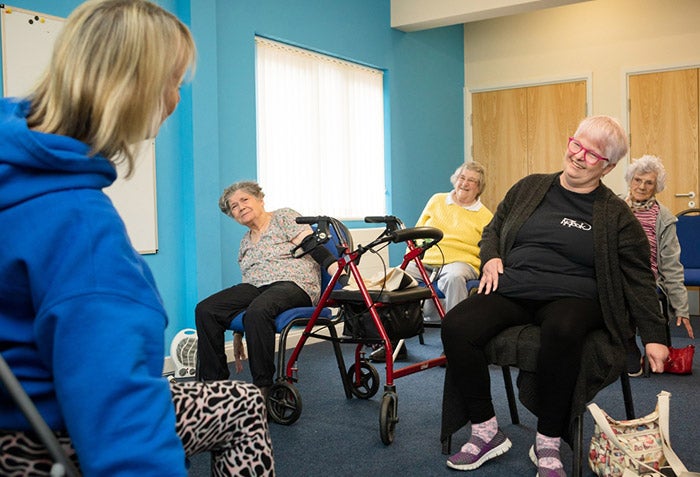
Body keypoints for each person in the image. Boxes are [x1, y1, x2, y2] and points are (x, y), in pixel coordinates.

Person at [0, 1, 274, 476]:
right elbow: (120, 416)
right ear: (135, 89)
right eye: (172, 82)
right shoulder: (83, 231)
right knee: (243, 402)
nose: (176, 100)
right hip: (39, 435)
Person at [440, 116, 669, 476]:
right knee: (456, 325)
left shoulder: (615, 214)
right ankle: (485, 429)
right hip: (515, 287)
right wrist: (492, 256)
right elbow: (494, 228)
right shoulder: (530, 187)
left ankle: (547, 440)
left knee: (563, 330)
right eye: (575, 144)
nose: (578, 156)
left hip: (575, 296)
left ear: (607, 167)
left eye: (592, 154)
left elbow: (638, 277)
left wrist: (654, 336)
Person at [195, 181, 341, 395]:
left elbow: (312, 244)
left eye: (244, 199)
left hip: (294, 284)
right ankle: (214, 387)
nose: (240, 207)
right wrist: (238, 333)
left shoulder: (283, 217)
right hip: (256, 288)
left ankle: (263, 387)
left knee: (258, 310)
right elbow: (245, 287)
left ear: (260, 200)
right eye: (234, 206)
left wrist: (335, 268)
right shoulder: (245, 243)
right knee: (205, 309)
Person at [624, 155, 694, 375]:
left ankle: (646, 346)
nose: (642, 186)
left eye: (649, 182)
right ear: (630, 180)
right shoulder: (616, 208)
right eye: (637, 180)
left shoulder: (664, 218)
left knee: (633, 289)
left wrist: (682, 306)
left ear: (657, 187)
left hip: (647, 276)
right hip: (616, 271)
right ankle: (626, 348)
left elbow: (672, 265)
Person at [407, 161, 493, 313]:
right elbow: (418, 232)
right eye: (462, 177)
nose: (464, 183)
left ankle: (455, 330)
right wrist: (411, 255)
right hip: (426, 261)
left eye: (471, 180)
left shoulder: (485, 216)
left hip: (461, 263)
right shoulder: (437, 200)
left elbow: (489, 248)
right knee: (394, 276)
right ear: (455, 179)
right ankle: (400, 327)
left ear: (479, 187)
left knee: (454, 277)